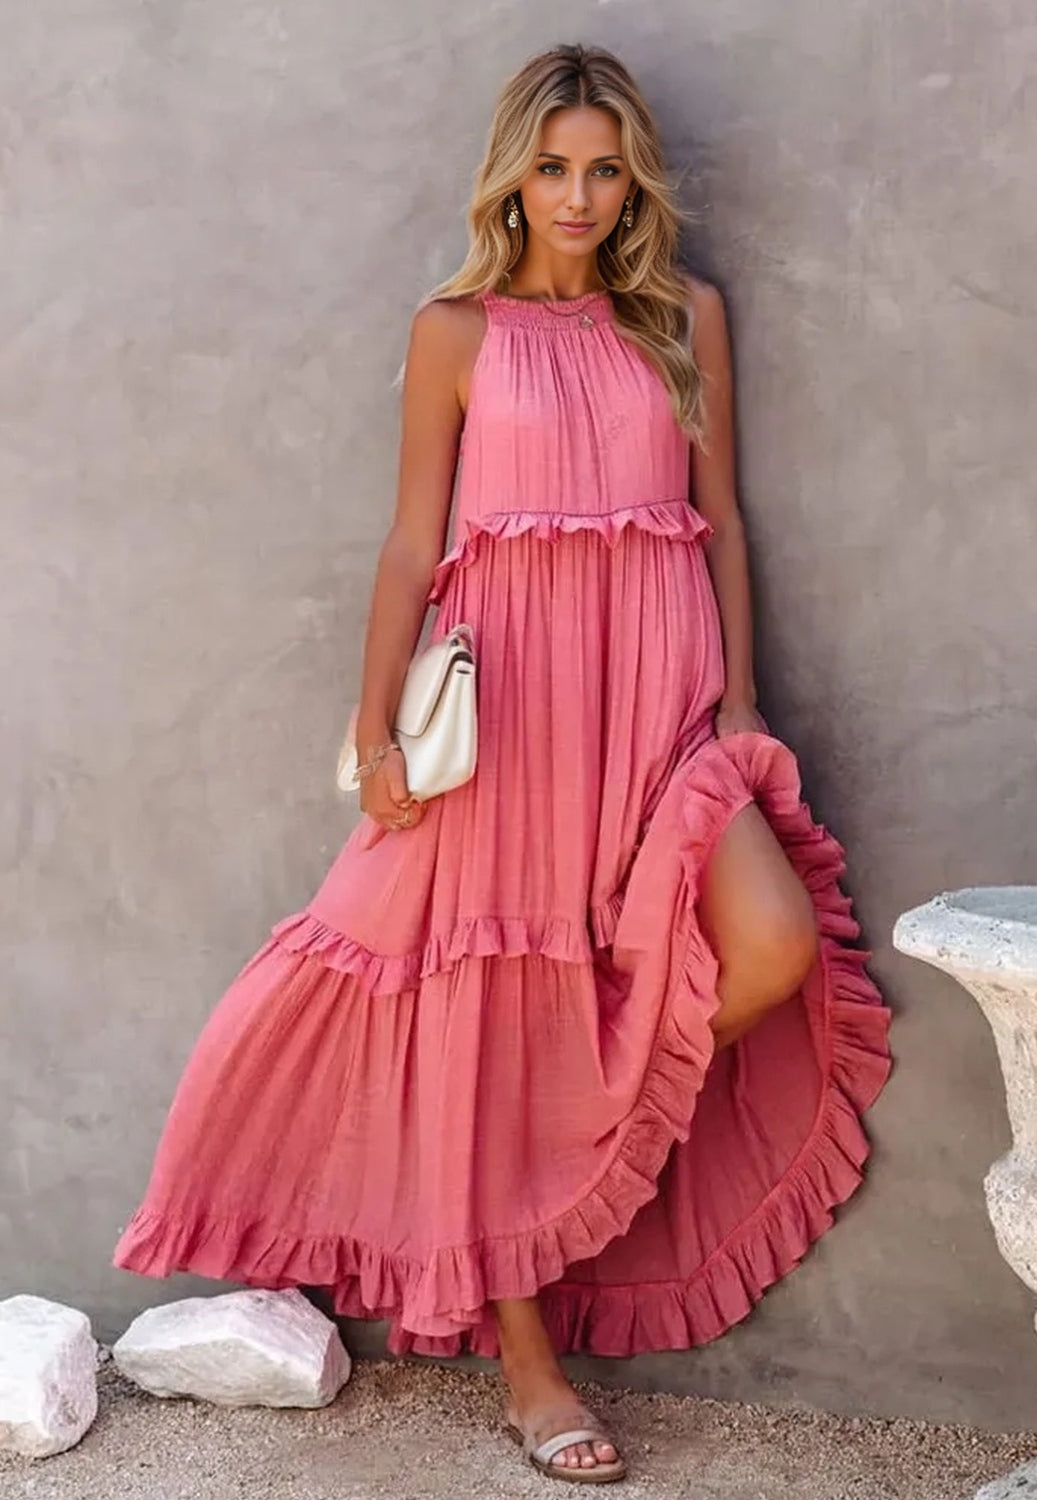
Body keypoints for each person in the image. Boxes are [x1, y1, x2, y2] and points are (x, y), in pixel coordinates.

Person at [113, 41, 892, 1485]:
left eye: (603, 168)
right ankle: (528, 1370)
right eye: (553, 167)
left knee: (769, 944)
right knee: (497, 1011)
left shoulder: (684, 319)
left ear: (631, 178)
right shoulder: (455, 330)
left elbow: (720, 519)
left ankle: (578, 1122)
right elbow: (414, 540)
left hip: (661, 707)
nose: (580, 195)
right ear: (512, 178)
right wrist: (374, 730)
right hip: (514, 720)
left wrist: (740, 702)